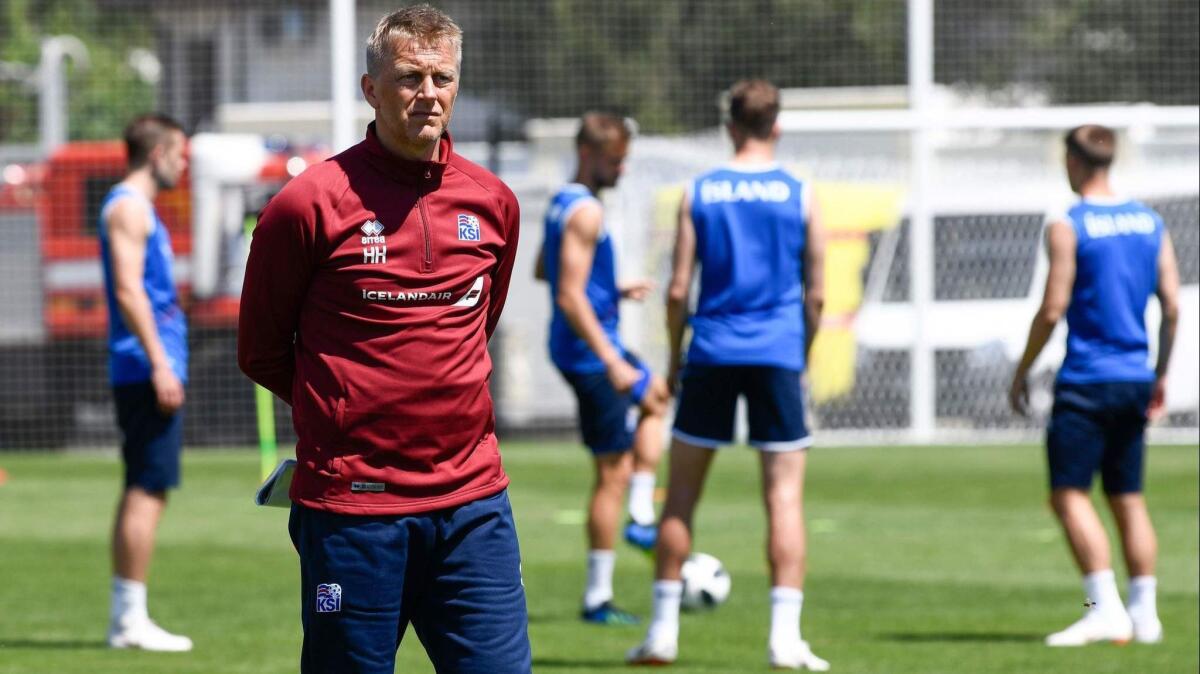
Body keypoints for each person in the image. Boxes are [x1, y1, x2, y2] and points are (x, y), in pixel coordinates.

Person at [237, 6, 530, 672]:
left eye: (441, 77)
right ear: (371, 89)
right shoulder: (307, 204)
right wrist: (348, 407)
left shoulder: (494, 202)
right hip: (353, 509)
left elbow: (474, 330)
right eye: (408, 77)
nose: (428, 93)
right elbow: (259, 349)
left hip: (472, 506)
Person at [628, 79, 828, 670]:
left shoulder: (700, 192)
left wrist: (673, 357)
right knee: (784, 498)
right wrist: (803, 352)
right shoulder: (802, 192)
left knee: (681, 498)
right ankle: (784, 640)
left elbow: (678, 289)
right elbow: (816, 292)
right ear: (778, 126)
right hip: (777, 355)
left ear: (730, 127)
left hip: (711, 351)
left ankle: (663, 633)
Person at [1009, 124, 1180, 647]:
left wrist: (1022, 368)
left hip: (1086, 378)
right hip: (1134, 376)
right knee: (1128, 497)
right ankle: (1144, 614)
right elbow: (1172, 305)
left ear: (1073, 162)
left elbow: (1054, 306)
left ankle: (1099, 606)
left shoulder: (1069, 223)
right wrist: (1160, 373)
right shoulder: (1149, 221)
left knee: (1068, 496)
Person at [534, 113, 670, 625]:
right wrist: (612, 361)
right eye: (616, 160)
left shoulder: (562, 202)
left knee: (656, 397)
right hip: (592, 356)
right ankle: (598, 596)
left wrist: (612, 290)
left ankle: (640, 514)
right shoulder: (586, 212)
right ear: (590, 154)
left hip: (587, 346)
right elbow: (568, 293)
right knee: (611, 472)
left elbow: (544, 269)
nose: (623, 169)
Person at [99, 113, 193, 652]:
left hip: (147, 364)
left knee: (145, 485)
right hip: (143, 366)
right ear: (157, 154)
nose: (182, 164)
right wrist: (160, 362)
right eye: (179, 153)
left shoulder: (138, 210)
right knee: (146, 488)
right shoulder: (129, 209)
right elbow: (131, 292)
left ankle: (127, 614)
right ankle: (129, 619)